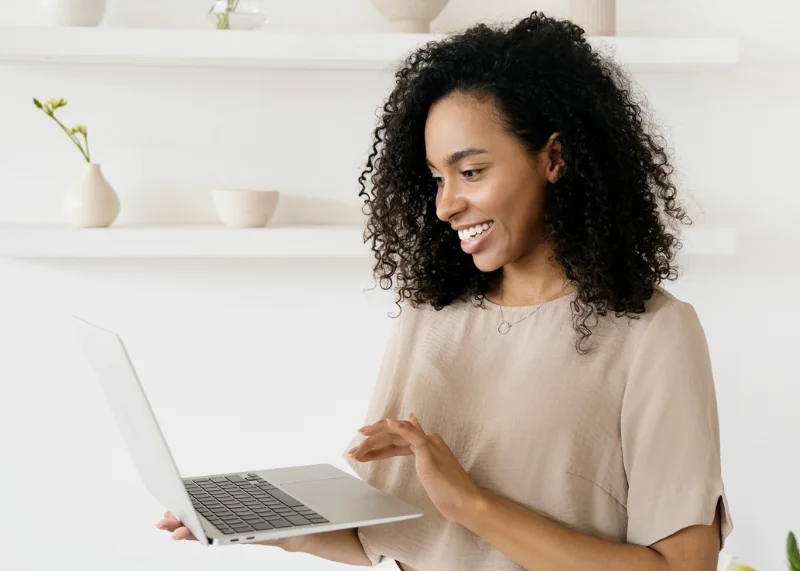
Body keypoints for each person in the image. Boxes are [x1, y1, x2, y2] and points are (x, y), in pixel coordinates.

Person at [157, 11, 733, 570]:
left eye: (472, 171)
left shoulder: (653, 333)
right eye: (437, 178)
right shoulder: (429, 318)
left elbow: (684, 566)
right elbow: (391, 536)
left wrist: (472, 505)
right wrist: (268, 524)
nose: (446, 204)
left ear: (553, 158)